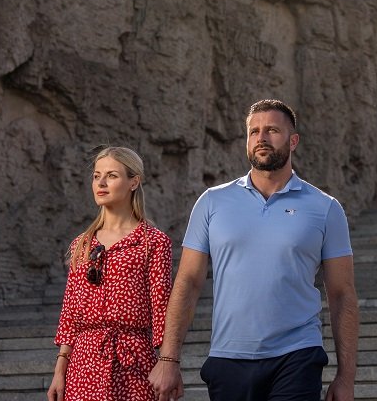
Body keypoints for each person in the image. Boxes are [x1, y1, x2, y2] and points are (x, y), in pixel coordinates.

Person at [148, 99, 358, 401]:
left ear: (293, 141)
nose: (261, 138)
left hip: (297, 355)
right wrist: (169, 359)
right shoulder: (211, 202)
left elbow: (342, 294)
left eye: (272, 130)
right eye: (254, 131)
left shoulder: (325, 208)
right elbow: (188, 282)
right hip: (228, 357)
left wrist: (346, 378)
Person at [49, 146, 174, 401]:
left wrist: (168, 363)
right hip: (83, 365)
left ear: (133, 182)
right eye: (97, 176)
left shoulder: (153, 242)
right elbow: (70, 313)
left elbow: (162, 310)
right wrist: (60, 370)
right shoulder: (82, 244)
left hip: (134, 361)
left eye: (112, 176)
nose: (101, 183)